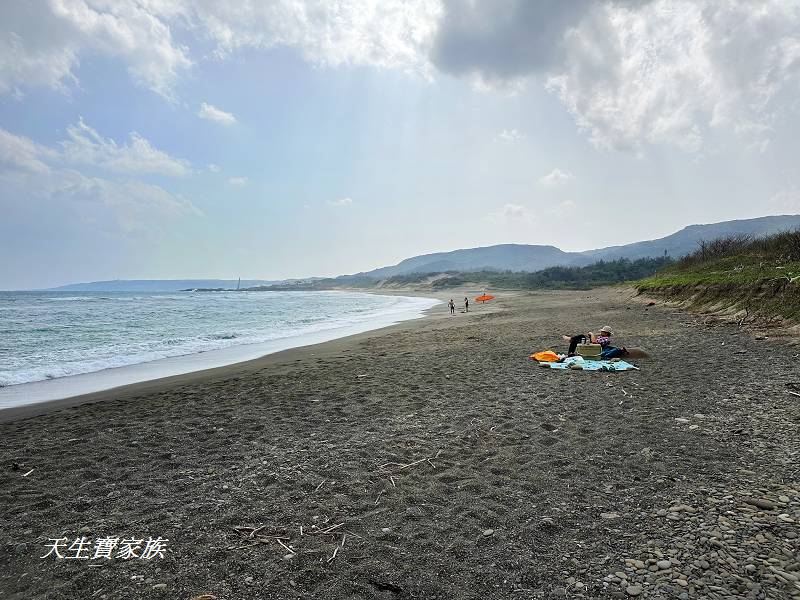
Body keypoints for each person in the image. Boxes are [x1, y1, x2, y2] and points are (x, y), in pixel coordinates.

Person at [563, 325, 627, 359]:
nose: (601, 332)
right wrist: (592, 335)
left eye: (602, 331)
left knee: (580, 337)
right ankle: (570, 352)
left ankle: (570, 339)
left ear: (606, 333)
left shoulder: (606, 339)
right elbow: (594, 341)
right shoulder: (602, 337)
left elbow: (594, 343)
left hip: (595, 349)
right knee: (578, 339)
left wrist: (592, 334)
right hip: (594, 347)